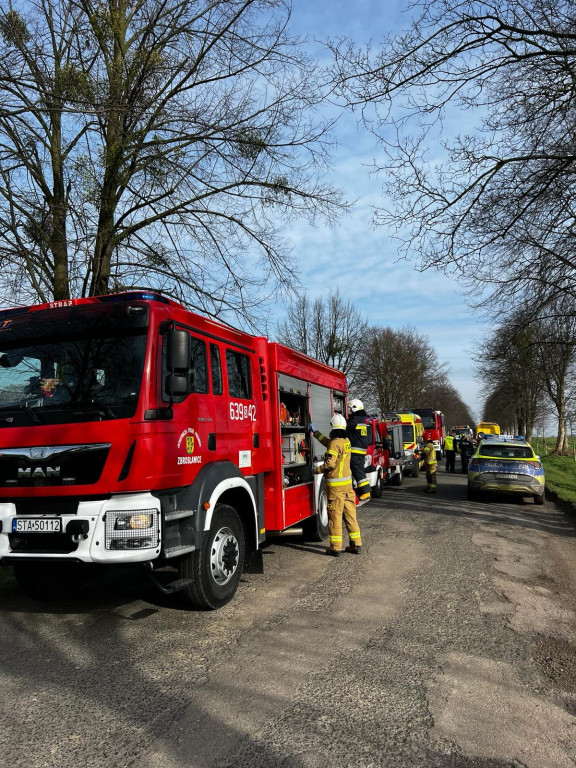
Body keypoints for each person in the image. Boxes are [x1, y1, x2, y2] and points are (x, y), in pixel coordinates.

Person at [310, 414, 363, 557]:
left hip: (336, 489)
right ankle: (356, 544)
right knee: (350, 515)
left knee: (335, 517)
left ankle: (335, 547)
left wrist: (315, 470)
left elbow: (330, 463)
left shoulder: (335, 443)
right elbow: (330, 444)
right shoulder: (346, 441)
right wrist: (316, 433)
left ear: (333, 427)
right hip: (347, 487)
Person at [346, 398, 371, 504]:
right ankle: (363, 492)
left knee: (357, 470)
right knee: (358, 470)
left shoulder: (355, 420)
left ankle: (366, 492)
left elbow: (345, 426)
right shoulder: (361, 420)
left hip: (355, 451)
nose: (350, 412)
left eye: (350, 409)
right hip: (360, 450)